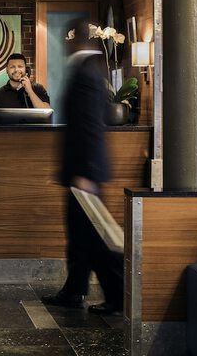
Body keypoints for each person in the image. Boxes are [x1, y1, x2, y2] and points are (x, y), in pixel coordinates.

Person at [41, 19, 124, 315]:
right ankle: (75, 290)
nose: (66, 43)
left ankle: (118, 296)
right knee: (81, 234)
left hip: (85, 172)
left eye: (70, 37)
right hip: (82, 170)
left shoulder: (86, 72)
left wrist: (84, 172)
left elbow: (88, 126)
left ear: (77, 38)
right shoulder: (89, 69)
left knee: (95, 237)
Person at [0, 53, 51, 126]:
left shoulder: (38, 89)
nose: (16, 70)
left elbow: (47, 114)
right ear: (7, 70)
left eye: (20, 66)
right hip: (7, 133)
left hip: (34, 133)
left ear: (26, 69)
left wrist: (30, 91)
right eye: (12, 67)